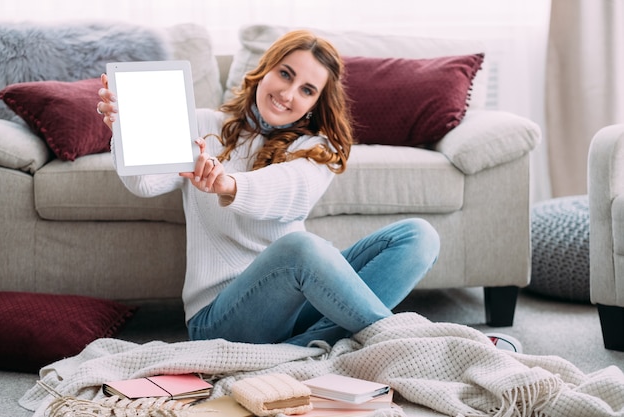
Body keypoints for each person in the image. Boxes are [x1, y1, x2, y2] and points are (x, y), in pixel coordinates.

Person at [97, 30, 441, 347]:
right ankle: (398, 342)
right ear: (265, 69)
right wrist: (126, 132)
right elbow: (145, 182)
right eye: (285, 74)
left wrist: (227, 183)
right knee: (300, 248)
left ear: (315, 104)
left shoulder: (316, 147)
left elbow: (288, 192)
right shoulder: (202, 125)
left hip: (295, 309)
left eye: (307, 90)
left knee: (418, 236)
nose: (288, 94)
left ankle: (302, 350)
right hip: (220, 320)